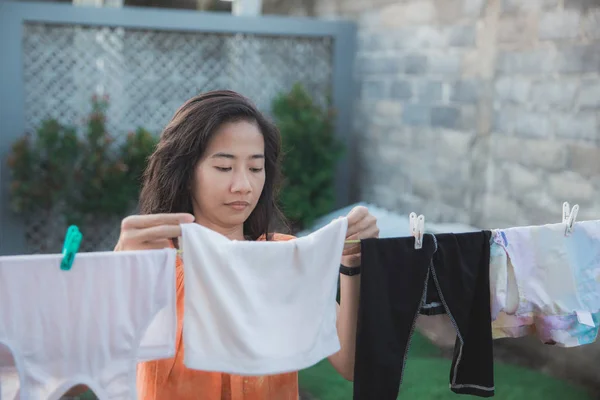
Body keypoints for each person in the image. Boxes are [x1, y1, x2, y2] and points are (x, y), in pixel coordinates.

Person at [67, 89, 379, 400]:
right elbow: (76, 382)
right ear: (186, 173)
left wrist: (352, 265)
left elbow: (350, 366)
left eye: (255, 168)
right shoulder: (153, 262)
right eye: (224, 167)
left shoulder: (282, 258)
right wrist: (117, 277)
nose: (243, 185)